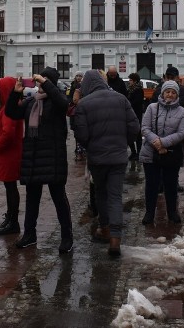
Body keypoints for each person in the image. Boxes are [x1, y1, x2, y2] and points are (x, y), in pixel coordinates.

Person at [6, 68, 74, 253]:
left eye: (43, 82)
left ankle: (67, 236)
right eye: (38, 82)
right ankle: (30, 234)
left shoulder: (57, 101)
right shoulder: (30, 102)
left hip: (53, 157)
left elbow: (64, 104)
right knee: (32, 199)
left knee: (59, 198)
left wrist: (45, 82)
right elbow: (12, 112)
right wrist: (15, 92)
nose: (39, 85)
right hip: (33, 157)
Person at [72, 69, 139, 257]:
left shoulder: (84, 104)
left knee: (101, 194)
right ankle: (116, 239)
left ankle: (105, 228)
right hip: (118, 156)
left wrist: (91, 146)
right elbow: (134, 127)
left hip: (97, 158)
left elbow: (81, 135)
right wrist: (123, 143)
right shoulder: (121, 99)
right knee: (115, 196)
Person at [140, 81, 184, 225]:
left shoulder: (181, 111)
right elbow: (145, 128)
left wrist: (164, 143)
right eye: (168, 92)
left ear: (177, 94)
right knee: (152, 185)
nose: (170, 95)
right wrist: (156, 142)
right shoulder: (152, 108)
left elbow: (182, 133)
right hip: (151, 152)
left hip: (170, 153)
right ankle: (149, 213)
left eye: (173, 92)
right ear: (162, 93)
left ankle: (172, 212)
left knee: (171, 185)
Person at [0, 77, 25, 235]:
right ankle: (10, 218)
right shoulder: (12, 106)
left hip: (8, 153)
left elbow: (8, 133)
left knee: (10, 188)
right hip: (11, 152)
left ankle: (13, 221)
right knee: (10, 187)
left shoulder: (9, 108)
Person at [126, 73, 145, 160]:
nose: (129, 81)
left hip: (136, 114)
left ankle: (138, 153)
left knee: (137, 134)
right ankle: (133, 152)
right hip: (129, 114)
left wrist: (129, 104)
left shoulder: (138, 90)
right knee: (129, 134)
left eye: (130, 80)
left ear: (135, 81)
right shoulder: (129, 89)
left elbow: (137, 102)